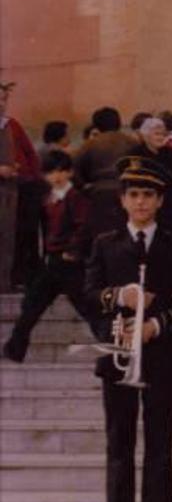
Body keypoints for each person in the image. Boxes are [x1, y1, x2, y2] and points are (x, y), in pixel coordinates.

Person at [84, 156, 172, 502]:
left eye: (148, 194)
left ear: (159, 200)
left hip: (160, 357)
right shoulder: (105, 244)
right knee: (119, 447)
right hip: (117, 355)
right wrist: (118, 296)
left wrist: (154, 326)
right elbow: (89, 295)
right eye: (134, 194)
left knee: (160, 446)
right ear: (122, 200)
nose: (141, 201)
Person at [2, 150, 96, 362]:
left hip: (69, 263)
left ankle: (114, 344)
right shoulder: (48, 198)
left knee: (88, 308)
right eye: (51, 172)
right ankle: (14, 349)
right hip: (52, 262)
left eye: (62, 171)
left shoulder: (76, 198)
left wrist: (72, 252)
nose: (57, 176)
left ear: (70, 172)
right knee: (32, 306)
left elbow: (84, 228)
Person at [74, 107, 137, 257]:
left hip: (98, 195)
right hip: (126, 192)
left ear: (96, 125)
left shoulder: (90, 144)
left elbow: (75, 171)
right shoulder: (131, 143)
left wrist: (84, 187)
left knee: (100, 237)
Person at [0, 82, 42, 292]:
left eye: (4, 99)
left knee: (14, 237)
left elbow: (30, 155)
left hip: (15, 191)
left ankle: (10, 281)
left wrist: (33, 179)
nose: (1, 104)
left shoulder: (11, 125)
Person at [126, 117, 172, 233]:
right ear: (146, 135)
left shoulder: (170, 153)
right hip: (145, 201)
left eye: (163, 134)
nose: (161, 137)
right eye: (157, 134)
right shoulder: (136, 154)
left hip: (168, 202)